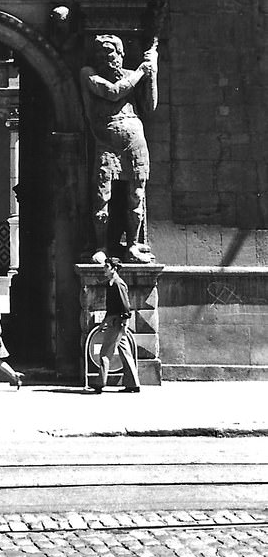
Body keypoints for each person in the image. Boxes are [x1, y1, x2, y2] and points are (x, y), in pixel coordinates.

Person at [80, 34, 157, 263]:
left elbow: (149, 106)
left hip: (134, 138)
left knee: (136, 195)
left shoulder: (132, 76)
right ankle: (101, 246)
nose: (105, 57)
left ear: (121, 54)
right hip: (106, 140)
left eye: (110, 52)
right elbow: (112, 92)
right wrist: (142, 72)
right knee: (101, 195)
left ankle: (133, 244)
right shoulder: (89, 74)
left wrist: (153, 75)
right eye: (100, 53)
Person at [92, 257, 140, 394]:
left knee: (105, 353)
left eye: (106, 266)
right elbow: (111, 308)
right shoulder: (111, 284)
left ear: (114, 268)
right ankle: (133, 384)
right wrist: (103, 323)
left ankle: (100, 383)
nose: (104, 269)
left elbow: (125, 306)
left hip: (117, 323)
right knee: (125, 353)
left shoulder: (118, 284)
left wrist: (125, 323)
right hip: (115, 321)